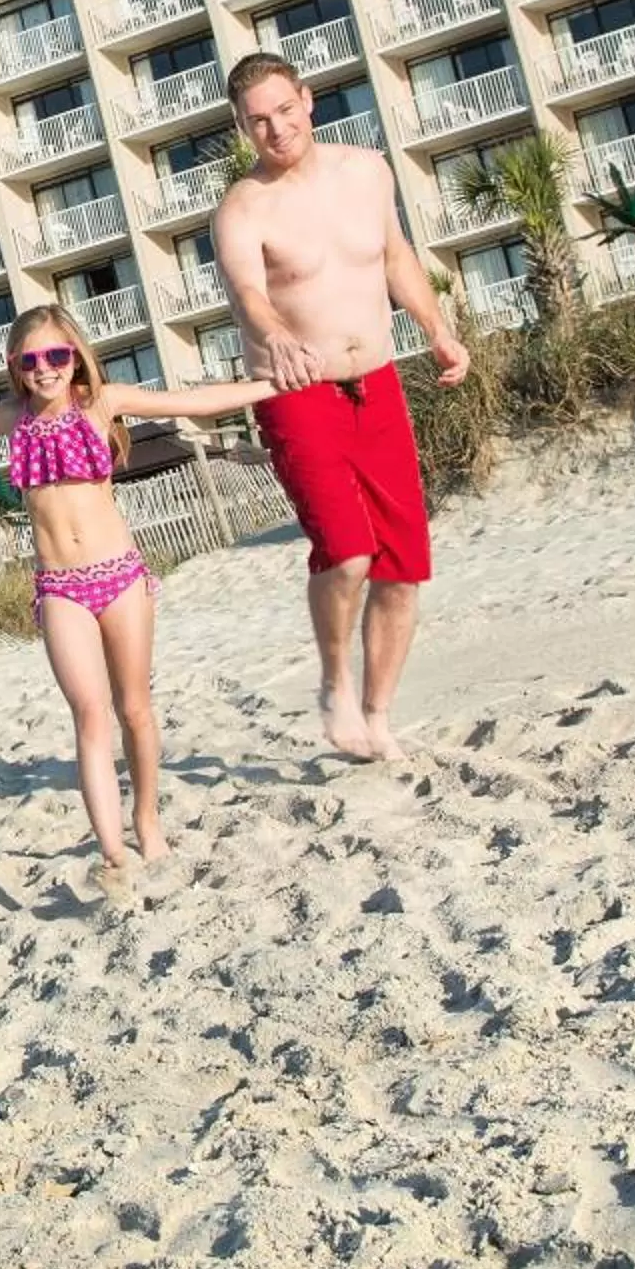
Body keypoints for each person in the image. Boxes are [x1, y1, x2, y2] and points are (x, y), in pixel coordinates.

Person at [0, 305, 272, 897]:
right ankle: (112, 852)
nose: (45, 369)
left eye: (56, 355)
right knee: (90, 716)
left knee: (136, 710)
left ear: (74, 357)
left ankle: (146, 820)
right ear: (15, 368)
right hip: (60, 589)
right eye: (32, 360)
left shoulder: (102, 404)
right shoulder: (13, 419)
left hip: (120, 576)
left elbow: (193, 401)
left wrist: (271, 384)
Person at [212, 52, 469, 764]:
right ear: (243, 127)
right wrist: (277, 336)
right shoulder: (243, 207)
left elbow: (393, 258)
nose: (276, 129)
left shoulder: (367, 171)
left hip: (378, 381)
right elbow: (248, 296)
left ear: (308, 100)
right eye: (258, 121)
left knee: (402, 566)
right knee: (348, 552)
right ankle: (334, 685)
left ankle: (377, 714)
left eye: (284, 111)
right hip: (299, 395)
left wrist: (438, 330)